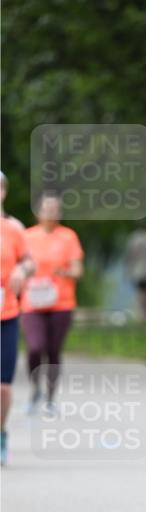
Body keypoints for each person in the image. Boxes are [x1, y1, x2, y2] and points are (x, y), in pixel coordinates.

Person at [22, 193, 84, 413]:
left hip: (61, 303)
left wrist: (64, 271)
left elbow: (78, 270)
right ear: (38, 212)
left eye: (55, 209)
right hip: (32, 303)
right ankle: (34, 388)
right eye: (47, 209)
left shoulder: (68, 237)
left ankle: (50, 398)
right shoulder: (27, 236)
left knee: (53, 350)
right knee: (35, 347)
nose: (51, 213)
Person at [1, 178, 34, 464]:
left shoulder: (14, 229)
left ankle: (0, 432)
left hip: (6, 313)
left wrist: (22, 270)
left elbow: (29, 260)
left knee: (3, 386)